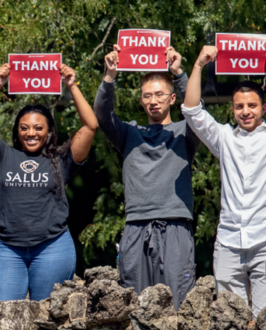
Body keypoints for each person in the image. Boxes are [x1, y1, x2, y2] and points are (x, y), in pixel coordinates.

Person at [0, 63, 98, 302]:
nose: (31, 133)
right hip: (8, 250)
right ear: (17, 131)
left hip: (52, 247)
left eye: (39, 128)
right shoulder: (3, 155)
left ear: (49, 131)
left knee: (48, 318)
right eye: (24, 128)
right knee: (4, 318)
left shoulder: (62, 158)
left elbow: (91, 125)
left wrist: (72, 85)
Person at [94, 45, 201, 310]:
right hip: (136, 228)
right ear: (141, 100)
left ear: (172, 98)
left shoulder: (185, 133)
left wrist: (179, 74)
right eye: (147, 96)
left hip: (176, 227)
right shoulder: (129, 133)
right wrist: (109, 77)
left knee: (178, 309)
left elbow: (196, 110)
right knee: (136, 310)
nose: (153, 100)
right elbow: (102, 115)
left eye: (159, 95)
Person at [182, 45, 266, 318]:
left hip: (263, 241)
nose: (246, 111)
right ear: (231, 109)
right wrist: (198, 65)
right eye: (239, 106)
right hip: (228, 242)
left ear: (263, 108)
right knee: (231, 319)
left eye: (252, 105)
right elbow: (192, 110)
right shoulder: (224, 138)